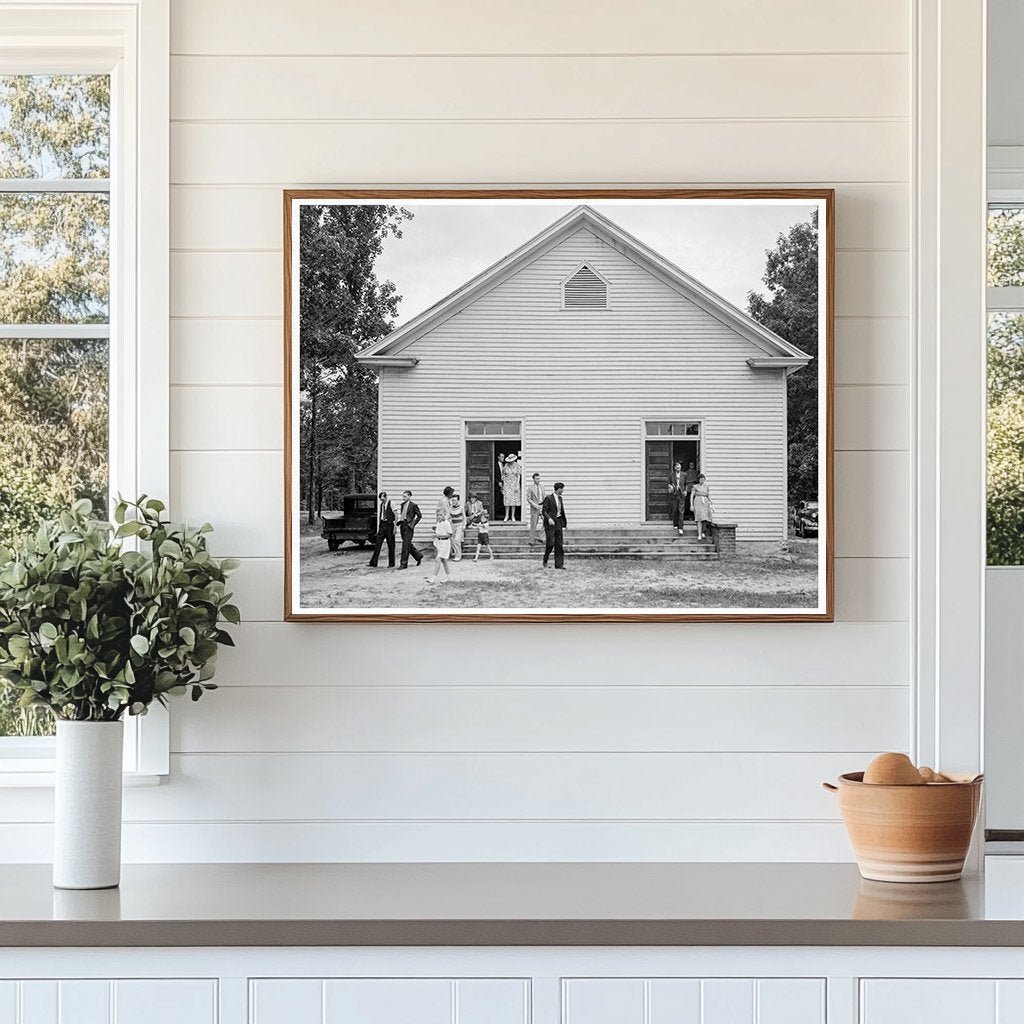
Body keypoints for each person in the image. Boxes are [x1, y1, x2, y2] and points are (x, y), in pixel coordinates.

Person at [541, 481, 568, 569]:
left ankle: (559, 564)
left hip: (559, 522)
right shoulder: (548, 498)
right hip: (550, 524)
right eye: (562, 488)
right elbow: (544, 511)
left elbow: (562, 512)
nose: (563, 490)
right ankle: (545, 559)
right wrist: (549, 518)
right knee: (550, 543)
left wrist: (564, 524)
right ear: (558, 489)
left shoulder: (560, 499)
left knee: (559, 544)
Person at [368, 490, 396, 568]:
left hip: (390, 525)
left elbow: (396, 515)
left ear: (386, 497)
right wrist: (379, 527)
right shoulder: (381, 505)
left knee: (391, 545)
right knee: (378, 543)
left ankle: (391, 563)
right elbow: (381, 515)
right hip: (382, 525)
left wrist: (395, 527)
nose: (382, 501)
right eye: (381, 500)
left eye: (383, 499)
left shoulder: (392, 504)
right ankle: (373, 562)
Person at [427, 505, 453, 584]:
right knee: (443, 560)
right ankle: (448, 576)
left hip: (445, 543)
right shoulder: (438, 522)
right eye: (437, 515)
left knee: (437, 559)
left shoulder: (446, 523)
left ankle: (433, 578)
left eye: (440, 515)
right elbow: (439, 531)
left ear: (444, 515)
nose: (439, 516)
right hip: (439, 543)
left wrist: (438, 535)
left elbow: (449, 534)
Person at [397, 490, 423, 569]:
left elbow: (419, 516)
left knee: (405, 545)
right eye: (403, 496)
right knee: (407, 544)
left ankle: (403, 563)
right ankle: (418, 556)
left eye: (405, 496)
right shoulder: (402, 505)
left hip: (409, 526)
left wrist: (413, 523)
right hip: (402, 524)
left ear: (409, 496)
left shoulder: (413, 505)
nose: (403, 498)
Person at [690, 473, 714, 542]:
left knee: (705, 517)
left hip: (705, 503)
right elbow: (692, 496)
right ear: (698, 480)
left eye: (703, 480)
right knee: (699, 518)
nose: (702, 481)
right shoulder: (695, 487)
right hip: (698, 502)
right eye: (701, 480)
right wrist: (691, 505)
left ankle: (703, 531)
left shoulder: (706, 487)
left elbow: (707, 495)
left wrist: (711, 501)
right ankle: (699, 534)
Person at [499, 453, 522, 521]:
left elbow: (519, 476)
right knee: (507, 500)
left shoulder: (517, 466)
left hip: (514, 484)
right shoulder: (506, 466)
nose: (511, 461)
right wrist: (503, 479)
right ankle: (506, 515)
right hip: (507, 484)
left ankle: (513, 516)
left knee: (513, 501)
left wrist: (517, 485)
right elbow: (502, 474)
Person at [526, 472, 544, 543]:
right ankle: (532, 540)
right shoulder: (530, 488)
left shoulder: (542, 487)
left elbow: (544, 497)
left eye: (539, 478)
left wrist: (544, 506)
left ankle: (541, 537)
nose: (538, 480)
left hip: (542, 507)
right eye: (537, 479)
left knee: (547, 522)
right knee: (533, 525)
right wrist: (535, 505)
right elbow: (529, 499)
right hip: (534, 508)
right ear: (533, 479)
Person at [668, 462, 685, 532]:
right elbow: (668, 484)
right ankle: (675, 524)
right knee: (675, 510)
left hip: (681, 495)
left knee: (681, 511)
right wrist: (671, 488)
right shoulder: (671, 475)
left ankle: (681, 527)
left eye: (680, 467)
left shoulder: (684, 474)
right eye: (677, 467)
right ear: (675, 468)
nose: (679, 469)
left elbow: (686, 483)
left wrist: (686, 491)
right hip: (674, 495)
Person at [449, 492, 466, 561]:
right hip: (452, 525)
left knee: (457, 540)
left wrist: (464, 525)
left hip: (459, 525)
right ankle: (456, 554)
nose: (453, 502)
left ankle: (458, 556)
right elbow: (448, 516)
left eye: (455, 500)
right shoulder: (450, 508)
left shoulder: (461, 508)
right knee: (452, 541)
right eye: (452, 500)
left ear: (458, 500)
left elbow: (464, 517)